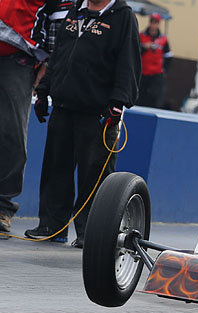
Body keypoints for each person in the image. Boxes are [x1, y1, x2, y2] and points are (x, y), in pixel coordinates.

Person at [26, 0, 141, 248]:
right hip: (63, 105)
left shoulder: (123, 16)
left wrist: (118, 102)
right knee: (55, 169)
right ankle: (51, 226)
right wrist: (44, 91)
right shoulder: (75, 10)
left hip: (98, 112)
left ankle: (91, 232)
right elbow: (59, 55)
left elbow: (129, 62)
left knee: (95, 175)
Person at [0, 0, 57, 238]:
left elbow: (60, 17)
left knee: (11, 134)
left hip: (18, 58)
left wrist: (48, 62)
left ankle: (2, 207)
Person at [136, 13, 171, 108]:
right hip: (142, 72)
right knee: (140, 96)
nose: (153, 25)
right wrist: (144, 47)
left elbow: (168, 56)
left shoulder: (163, 39)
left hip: (156, 73)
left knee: (155, 96)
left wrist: (165, 70)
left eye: (156, 22)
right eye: (152, 22)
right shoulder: (141, 36)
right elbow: (135, 51)